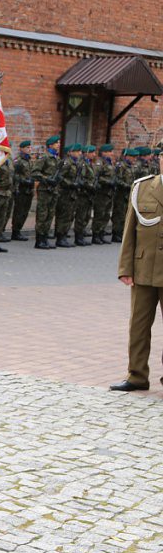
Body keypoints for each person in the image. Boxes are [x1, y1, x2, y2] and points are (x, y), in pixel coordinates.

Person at [111, 152, 163, 392]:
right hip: (143, 270)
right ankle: (137, 375)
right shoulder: (141, 187)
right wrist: (125, 268)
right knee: (139, 325)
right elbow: (129, 230)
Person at [33, 135, 63, 249]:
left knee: (50, 215)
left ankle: (45, 237)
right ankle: (39, 239)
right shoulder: (44, 157)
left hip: (54, 190)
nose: (58, 145)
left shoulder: (57, 159)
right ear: (50, 145)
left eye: (59, 143)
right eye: (57, 143)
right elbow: (35, 173)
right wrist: (47, 179)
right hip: (44, 190)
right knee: (42, 215)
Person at [11, 140, 35, 241]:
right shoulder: (18, 160)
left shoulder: (29, 160)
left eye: (30, 147)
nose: (29, 149)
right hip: (20, 189)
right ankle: (15, 231)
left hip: (29, 190)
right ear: (21, 149)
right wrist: (23, 180)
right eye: (27, 148)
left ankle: (19, 229)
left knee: (25, 211)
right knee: (19, 211)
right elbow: (13, 174)